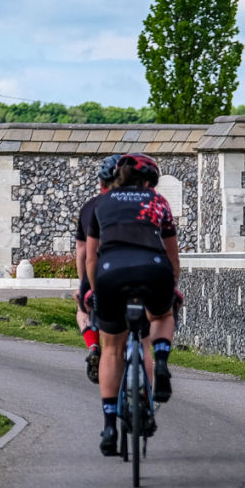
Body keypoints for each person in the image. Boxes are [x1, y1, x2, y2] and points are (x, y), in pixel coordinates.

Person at [85, 153, 180, 457]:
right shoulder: (158, 202)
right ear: (149, 181)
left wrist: (96, 290)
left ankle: (109, 427)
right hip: (153, 269)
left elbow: (90, 257)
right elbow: (172, 257)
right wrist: (171, 288)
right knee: (163, 314)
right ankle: (162, 361)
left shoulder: (101, 203)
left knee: (111, 349)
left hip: (111, 272)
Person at [74, 173, 110, 383]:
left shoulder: (90, 207)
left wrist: (83, 284)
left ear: (100, 182)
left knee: (83, 307)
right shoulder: (143, 204)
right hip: (139, 272)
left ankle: (94, 345)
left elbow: (82, 251)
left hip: (98, 271)